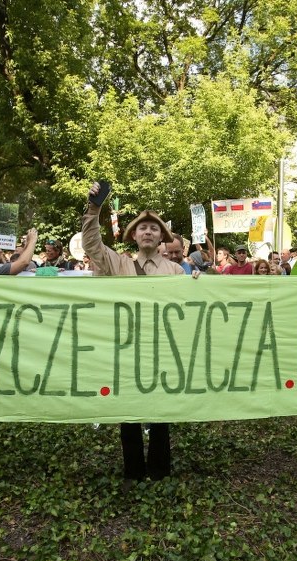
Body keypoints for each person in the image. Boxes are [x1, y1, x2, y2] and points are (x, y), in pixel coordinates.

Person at [81, 182, 198, 489]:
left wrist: (200, 283)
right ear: (133, 235)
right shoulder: (118, 264)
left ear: (162, 238)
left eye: (154, 229)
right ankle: (133, 471)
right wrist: (94, 209)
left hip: (162, 350)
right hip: (126, 348)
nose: (148, 232)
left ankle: (160, 470)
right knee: (128, 410)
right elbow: (92, 244)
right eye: (143, 228)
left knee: (161, 411)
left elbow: (191, 308)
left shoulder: (176, 272)